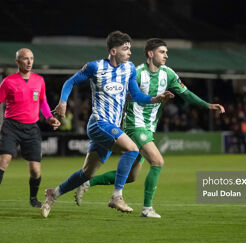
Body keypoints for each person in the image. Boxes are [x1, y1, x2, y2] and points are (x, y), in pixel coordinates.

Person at [73, 38, 225, 218]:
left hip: (149, 127)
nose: (166, 55)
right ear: (150, 54)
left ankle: (87, 182)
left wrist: (207, 105)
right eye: (162, 52)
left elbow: (186, 94)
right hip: (134, 125)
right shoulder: (136, 73)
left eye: (166, 52)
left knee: (131, 176)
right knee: (158, 161)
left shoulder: (168, 74)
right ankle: (147, 209)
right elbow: (122, 94)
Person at [40, 31, 174, 218]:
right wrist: (63, 102)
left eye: (129, 48)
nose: (129, 52)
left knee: (86, 174)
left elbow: (135, 96)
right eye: (125, 48)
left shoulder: (129, 69)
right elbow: (70, 82)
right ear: (113, 50)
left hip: (112, 127)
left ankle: (53, 194)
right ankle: (116, 196)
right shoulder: (95, 67)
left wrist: (155, 99)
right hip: (98, 123)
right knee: (132, 149)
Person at [0, 48, 61, 207]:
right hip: (11, 126)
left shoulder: (39, 80)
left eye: (31, 58)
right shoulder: (8, 81)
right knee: (4, 160)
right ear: (17, 61)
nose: (29, 62)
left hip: (31, 128)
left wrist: (49, 118)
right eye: (25, 59)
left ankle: (33, 199)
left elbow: (42, 102)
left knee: (35, 170)